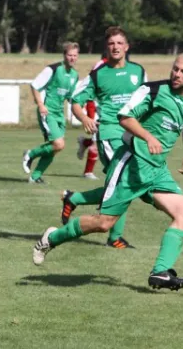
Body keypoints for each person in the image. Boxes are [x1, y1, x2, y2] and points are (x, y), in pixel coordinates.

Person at [33, 52, 183, 291]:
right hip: (131, 164)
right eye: (175, 69)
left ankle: (160, 272)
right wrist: (148, 136)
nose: (177, 74)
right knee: (104, 223)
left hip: (156, 171)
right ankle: (51, 239)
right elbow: (125, 117)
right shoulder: (152, 90)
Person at [61, 27, 147, 249]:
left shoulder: (138, 71)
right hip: (109, 133)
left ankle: (74, 199)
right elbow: (76, 100)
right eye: (111, 43)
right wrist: (84, 119)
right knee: (123, 184)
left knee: (123, 186)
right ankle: (114, 237)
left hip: (132, 135)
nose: (116, 47)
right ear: (106, 48)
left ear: (127, 47)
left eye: (120, 43)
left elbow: (146, 100)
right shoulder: (98, 74)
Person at [23, 42, 80, 183]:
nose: (72, 58)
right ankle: (30, 154)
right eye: (69, 55)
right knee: (59, 144)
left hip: (60, 114)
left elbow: (70, 97)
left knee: (54, 148)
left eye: (75, 55)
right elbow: (35, 86)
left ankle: (35, 177)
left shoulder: (74, 75)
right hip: (47, 112)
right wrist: (41, 105)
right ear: (64, 55)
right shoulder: (53, 69)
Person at [75, 55, 108, 180]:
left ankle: (84, 142)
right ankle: (88, 172)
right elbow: (89, 93)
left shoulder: (123, 66)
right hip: (98, 110)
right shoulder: (101, 65)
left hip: (109, 111)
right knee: (97, 142)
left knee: (104, 141)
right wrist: (90, 116)